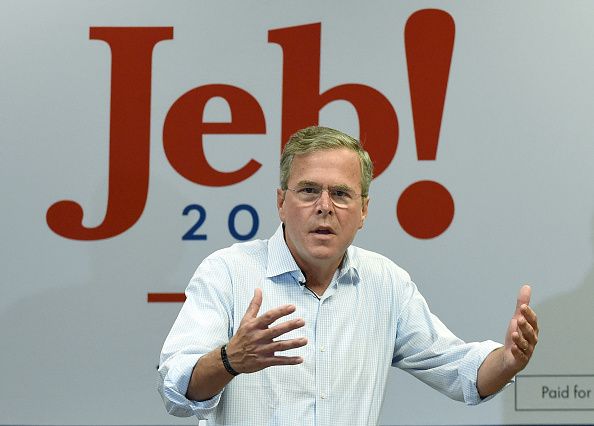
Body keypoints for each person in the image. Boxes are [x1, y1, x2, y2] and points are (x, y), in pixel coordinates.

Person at [158, 126, 539, 425]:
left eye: (341, 194)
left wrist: (507, 360)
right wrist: (230, 359)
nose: (324, 207)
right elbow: (175, 387)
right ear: (280, 203)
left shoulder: (385, 283)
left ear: (364, 211)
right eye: (308, 191)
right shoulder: (228, 272)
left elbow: (460, 371)